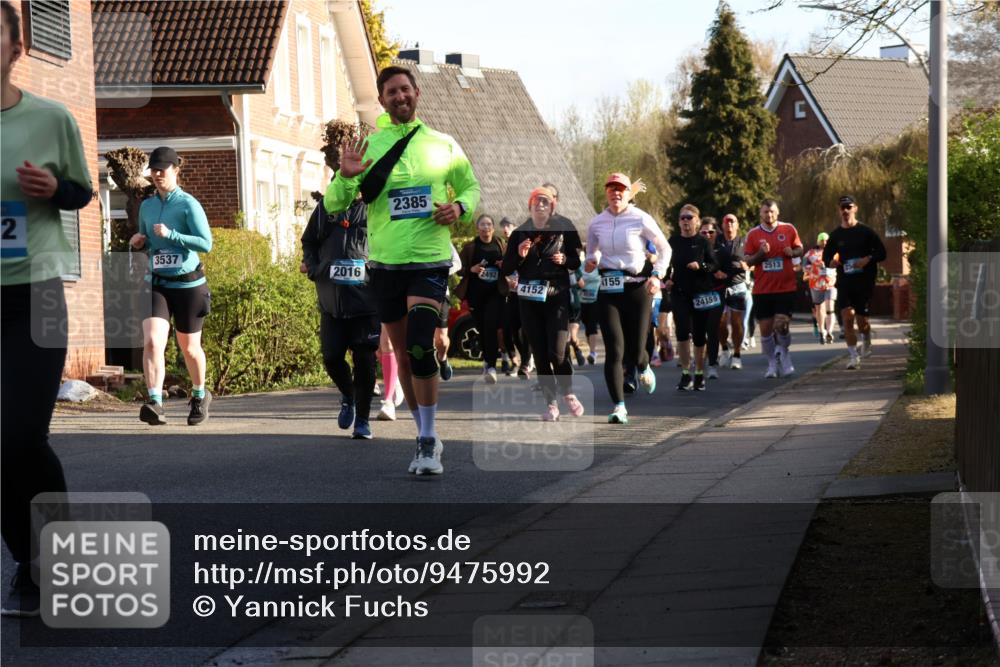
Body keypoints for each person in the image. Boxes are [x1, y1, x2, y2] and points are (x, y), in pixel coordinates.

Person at [325, 65, 480, 476]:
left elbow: (470, 187)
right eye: (391, 92)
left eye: (405, 89)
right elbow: (334, 206)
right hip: (386, 265)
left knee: (418, 346)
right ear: (382, 100)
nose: (399, 97)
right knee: (405, 362)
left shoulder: (442, 144)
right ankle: (423, 430)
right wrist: (345, 176)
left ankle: (428, 441)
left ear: (418, 92)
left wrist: (459, 207)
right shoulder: (369, 144)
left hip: (429, 261)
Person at [0, 0, 92, 615]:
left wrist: (55, 189)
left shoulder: (52, 117)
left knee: (22, 434)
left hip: (35, 294)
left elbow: (83, 190)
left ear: (15, 47)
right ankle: (29, 562)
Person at [130, 146, 213, 424]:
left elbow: (205, 243)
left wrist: (173, 234)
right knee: (153, 341)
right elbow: (148, 240)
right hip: (157, 283)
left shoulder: (188, 204)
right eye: (153, 170)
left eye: (161, 169)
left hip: (189, 284)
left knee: (189, 348)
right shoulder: (147, 206)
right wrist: (139, 242)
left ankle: (200, 395)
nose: (156, 174)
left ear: (175, 169)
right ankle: (155, 402)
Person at [301, 169, 379, 439]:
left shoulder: (372, 210)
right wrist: (314, 268)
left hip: (366, 302)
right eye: (341, 184)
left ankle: (364, 421)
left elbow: (387, 245)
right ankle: (349, 395)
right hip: (331, 302)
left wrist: (375, 270)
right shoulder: (324, 210)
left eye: (353, 185)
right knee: (331, 357)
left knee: (365, 361)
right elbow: (308, 242)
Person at [585, 173, 669, 423]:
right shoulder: (596, 223)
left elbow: (665, 247)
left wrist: (657, 275)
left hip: (637, 289)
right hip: (609, 290)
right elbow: (592, 250)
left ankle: (643, 365)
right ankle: (619, 406)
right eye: (611, 189)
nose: (616, 193)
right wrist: (592, 260)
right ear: (606, 193)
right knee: (614, 349)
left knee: (636, 348)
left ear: (627, 193)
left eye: (621, 189)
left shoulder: (640, 218)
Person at [502, 186, 584, 421]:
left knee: (557, 352)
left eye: (545, 202)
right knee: (539, 352)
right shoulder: (520, 233)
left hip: (556, 294)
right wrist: (518, 254)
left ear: (552, 207)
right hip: (529, 299)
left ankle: (567, 392)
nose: (540, 205)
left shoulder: (563, 228)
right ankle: (551, 404)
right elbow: (507, 268)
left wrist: (565, 259)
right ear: (529, 206)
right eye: (536, 202)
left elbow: (576, 261)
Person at [823, 196, 887, 369]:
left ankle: (866, 336)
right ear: (839, 210)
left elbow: (882, 252)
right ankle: (853, 357)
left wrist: (867, 259)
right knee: (847, 317)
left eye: (848, 207)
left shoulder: (866, 232)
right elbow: (826, 257)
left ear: (855, 208)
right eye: (842, 207)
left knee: (862, 321)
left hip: (864, 282)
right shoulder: (835, 235)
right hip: (845, 282)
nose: (845, 211)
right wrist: (831, 262)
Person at [744, 199, 804, 379]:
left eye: (772, 212)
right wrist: (761, 254)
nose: (768, 215)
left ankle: (785, 355)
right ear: (760, 214)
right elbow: (747, 260)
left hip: (785, 287)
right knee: (765, 330)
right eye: (765, 212)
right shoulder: (753, 234)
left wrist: (793, 253)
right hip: (763, 290)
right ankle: (771, 362)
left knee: (782, 324)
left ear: (777, 213)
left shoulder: (788, 229)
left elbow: (800, 248)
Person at [665, 204, 719, 391]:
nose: (686, 221)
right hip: (679, 293)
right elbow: (665, 265)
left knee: (698, 334)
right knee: (681, 331)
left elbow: (713, 265)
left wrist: (701, 266)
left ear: (697, 220)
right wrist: (666, 280)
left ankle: (699, 374)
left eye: (689, 217)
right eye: (682, 218)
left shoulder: (703, 242)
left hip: (700, 293)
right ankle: (686, 372)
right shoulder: (673, 242)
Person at [456, 215, 506, 383]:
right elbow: (458, 268)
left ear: (493, 228)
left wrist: (503, 265)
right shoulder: (471, 247)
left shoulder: (500, 244)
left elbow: (512, 264)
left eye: (489, 224)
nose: (486, 227)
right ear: (478, 228)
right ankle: (487, 361)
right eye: (483, 224)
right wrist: (472, 269)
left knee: (491, 326)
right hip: (476, 295)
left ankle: (491, 365)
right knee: (482, 329)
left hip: (495, 293)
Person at [716, 213, 749, 369]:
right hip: (720, 286)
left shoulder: (745, 242)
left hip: (738, 285)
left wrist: (748, 266)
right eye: (726, 221)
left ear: (737, 225)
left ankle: (737, 354)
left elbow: (753, 260)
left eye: (732, 221)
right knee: (720, 322)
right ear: (722, 225)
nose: (729, 224)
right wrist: (715, 272)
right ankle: (724, 348)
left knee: (736, 322)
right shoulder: (716, 241)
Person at [700, 218, 728, 380]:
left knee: (712, 328)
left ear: (716, 233)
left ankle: (712, 364)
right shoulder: (695, 249)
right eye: (703, 232)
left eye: (711, 232)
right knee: (697, 330)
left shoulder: (722, 252)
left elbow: (731, 273)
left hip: (716, 294)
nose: (707, 235)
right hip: (697, 295)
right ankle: (699, 361)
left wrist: (725, 275)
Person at [433, 242, 462, 381]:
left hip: (440, 292)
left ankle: (442, 358)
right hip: (417, 292)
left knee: (441, 340)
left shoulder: (442, 237)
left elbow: (457, 262)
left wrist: (442, 270)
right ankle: (426, 370)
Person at [803, 231, 837, 345]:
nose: (825, 242)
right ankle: (822, 331)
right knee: (819, 309)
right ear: (818, 241)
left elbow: (839, 264)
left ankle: (829, 332)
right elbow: (804, 267)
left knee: (830, 307)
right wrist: (814, 267)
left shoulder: (834, 252)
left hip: (830, 283)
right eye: (822, 240)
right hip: (816, 284)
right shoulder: (810, 253)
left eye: (827, 240)